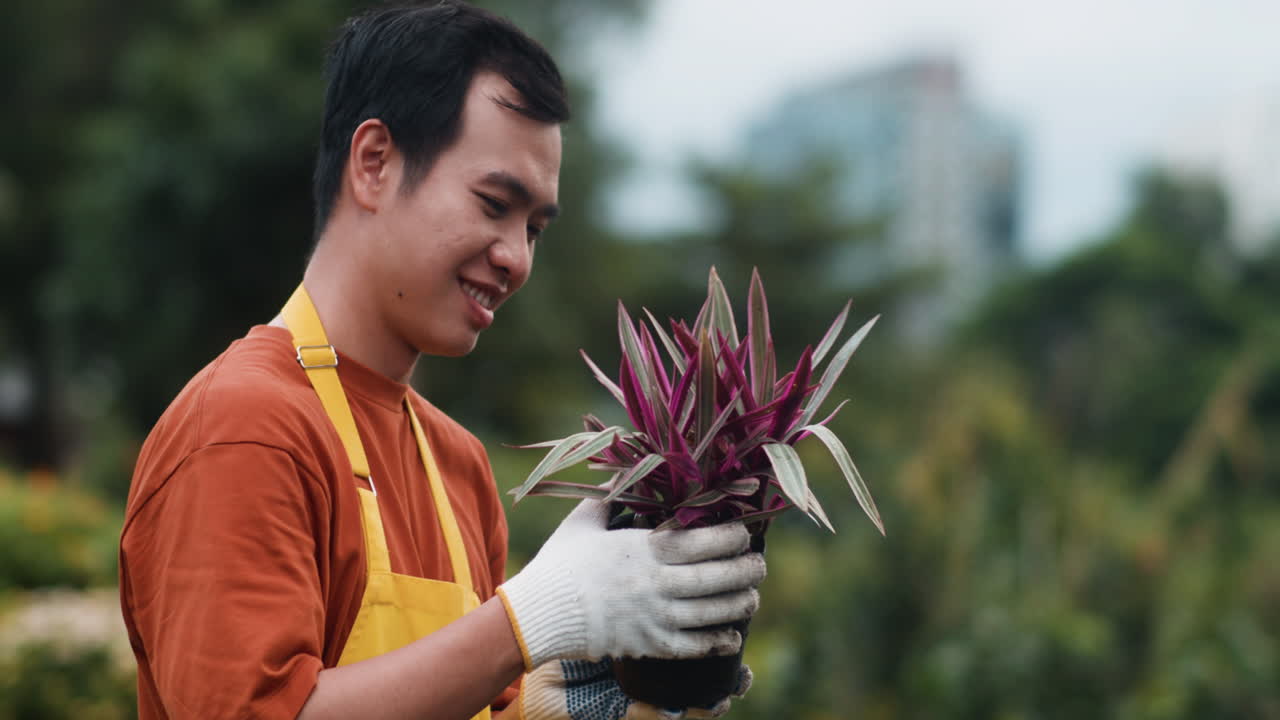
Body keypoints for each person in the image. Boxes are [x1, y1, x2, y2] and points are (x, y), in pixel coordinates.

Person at [117, 3, 766, 719]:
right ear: (374, 163)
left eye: (535, 228)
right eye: (494, 203)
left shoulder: (458, 464)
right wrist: (528, 619)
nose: (516, 258)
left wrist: (595, 695)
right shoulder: (244, 428)